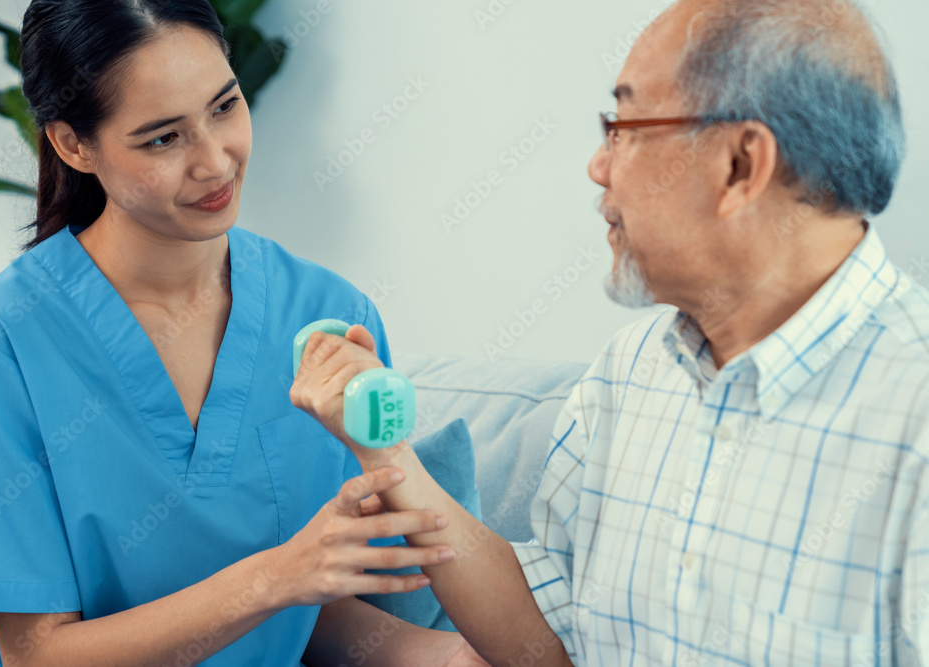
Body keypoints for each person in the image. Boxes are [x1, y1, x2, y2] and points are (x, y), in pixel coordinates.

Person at [292, 0, 929, 664]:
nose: (599, 167)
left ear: (741, 165)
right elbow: (547, 641)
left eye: (625, 126)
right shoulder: (629, 371)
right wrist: (384, 450)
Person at [0, 1, 490, 665]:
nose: (216, 162)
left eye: (224, 107)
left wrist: (459, 654)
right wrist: (275, 575)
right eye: (164, 138)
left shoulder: (333, 315)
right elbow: (36, 654)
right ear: (72, 144)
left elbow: (314, 604)